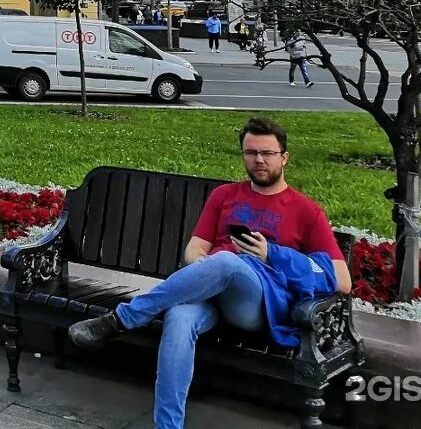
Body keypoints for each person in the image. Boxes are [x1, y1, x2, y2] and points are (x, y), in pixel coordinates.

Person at [68, 117, 350, 428]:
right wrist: (207, 269)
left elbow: (341, 279)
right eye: (250, 152)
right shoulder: (225, 195)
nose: (258, 160)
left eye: (267, 153)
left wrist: (271, 254)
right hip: (213, 297)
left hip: (259, 306)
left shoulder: (306, 211)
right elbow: (194, 250)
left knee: (228, 263)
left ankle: (123, 318)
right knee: (179, 318)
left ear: (284, 157)